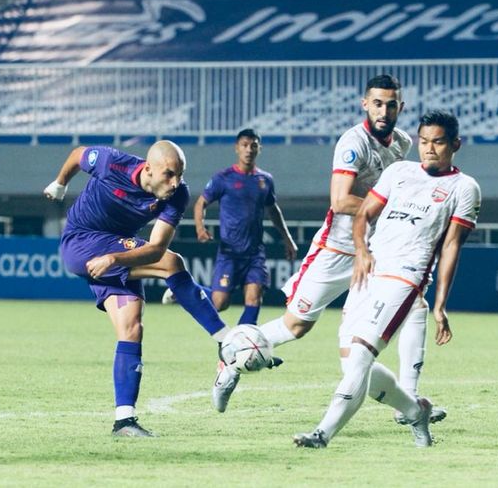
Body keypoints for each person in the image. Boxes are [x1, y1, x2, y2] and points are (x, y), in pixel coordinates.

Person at [213, 75, 443, 422]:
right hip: (336, 249)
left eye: (391, 104)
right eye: (377, 103)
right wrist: (391, 205)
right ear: (365, 103)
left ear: (401, 107)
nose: (384, 110)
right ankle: (230, 363)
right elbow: (339, 200)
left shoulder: (403, 143)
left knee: (413, 306)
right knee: (296, 326)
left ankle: (410, 402)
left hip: (377, 251)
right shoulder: (353, 142)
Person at [293, 109, 481, 448]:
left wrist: (440, 304)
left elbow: (452, 245)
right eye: (424, 142)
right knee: (352, 363)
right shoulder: (398, 171)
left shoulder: (464, 188)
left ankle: (322, 434)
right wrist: (361, 251)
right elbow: (364, 213)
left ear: (455, 144)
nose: (429, 149)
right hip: (369, 274)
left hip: (406, 279)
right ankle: (414, 410)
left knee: (362, 356)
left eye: (438, 142)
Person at [43, 140, 230, 437]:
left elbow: (155, 249)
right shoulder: (111, 163)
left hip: (115, 251)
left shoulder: (177, 194)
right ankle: (225, 340)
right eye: (169, 174)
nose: (175, 182)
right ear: (148, 168)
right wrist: (60, 183)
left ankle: (124, 420)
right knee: (173, 264)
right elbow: (79, 155)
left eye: (179, 174)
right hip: (82, 242)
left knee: (132, 328)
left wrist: (115, 257)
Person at [162, 129, 298, 326]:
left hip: (255, 253)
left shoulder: (265, 180)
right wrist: (200, 228)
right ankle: (182, 292)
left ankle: (242, 349)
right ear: (237, 148)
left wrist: (288, 239)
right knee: (220, 303)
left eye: (253, 145)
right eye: (244, 145)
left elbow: (273, 210)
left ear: (259, 148)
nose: (249, 150)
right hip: (230, 252)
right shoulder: (223, 178)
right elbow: (201, 203)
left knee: (254, 299)